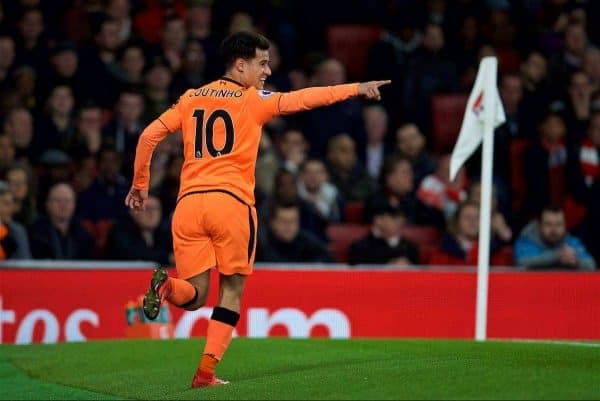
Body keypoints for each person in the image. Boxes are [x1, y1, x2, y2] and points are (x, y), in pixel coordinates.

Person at [125, 30, 390, 388]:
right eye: (261, 63)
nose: (266, 71)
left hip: (187, 206)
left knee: (195, 294)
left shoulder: (190, 99)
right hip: (231, 204)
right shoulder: (253, 100)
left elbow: (148, 137)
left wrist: (140, 186)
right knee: (230, 291)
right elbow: (304, 99)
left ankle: (167, 289)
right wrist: (354, 88)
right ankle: (205, 374)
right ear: (240, 64)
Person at [514, 205, 595, 271]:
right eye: (548, 224)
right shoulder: (527, 240)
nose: (554, 229)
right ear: (539, 226)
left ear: (565, 226)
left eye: (558, 224)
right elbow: (523, 262)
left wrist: (576, 261)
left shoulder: (571, 241)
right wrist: (557, 257)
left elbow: (591, 265)